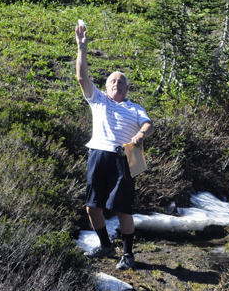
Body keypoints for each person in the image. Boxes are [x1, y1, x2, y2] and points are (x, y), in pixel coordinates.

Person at [75, 21, 154, 270]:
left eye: (121, 82)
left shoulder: (135, 108)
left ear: (127, 88)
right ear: (107, 86)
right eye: (112, 81)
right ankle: (106, 245)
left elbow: (148, 125)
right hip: (99, 154)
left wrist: (141, 135)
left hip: (126, 157)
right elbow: (81, 77)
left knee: (122, 208)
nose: (116, 84)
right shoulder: (98, 99)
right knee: (92, 207)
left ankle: (128, 254)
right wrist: (81, 48)